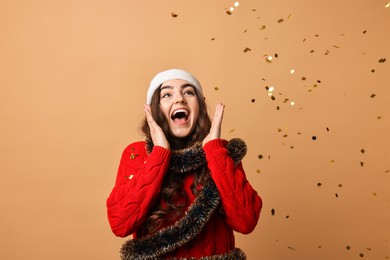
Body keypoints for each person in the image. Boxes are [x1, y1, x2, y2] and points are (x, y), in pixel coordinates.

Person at [106, 69, 262, 259]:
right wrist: (159, 154)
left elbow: (246, 222)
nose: (179, 99)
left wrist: (214, 150)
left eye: (188, 92)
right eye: (167, 94)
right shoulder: (137, 153)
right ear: (154, 108)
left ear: (201, 105)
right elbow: (120, 224)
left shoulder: (221, 152)